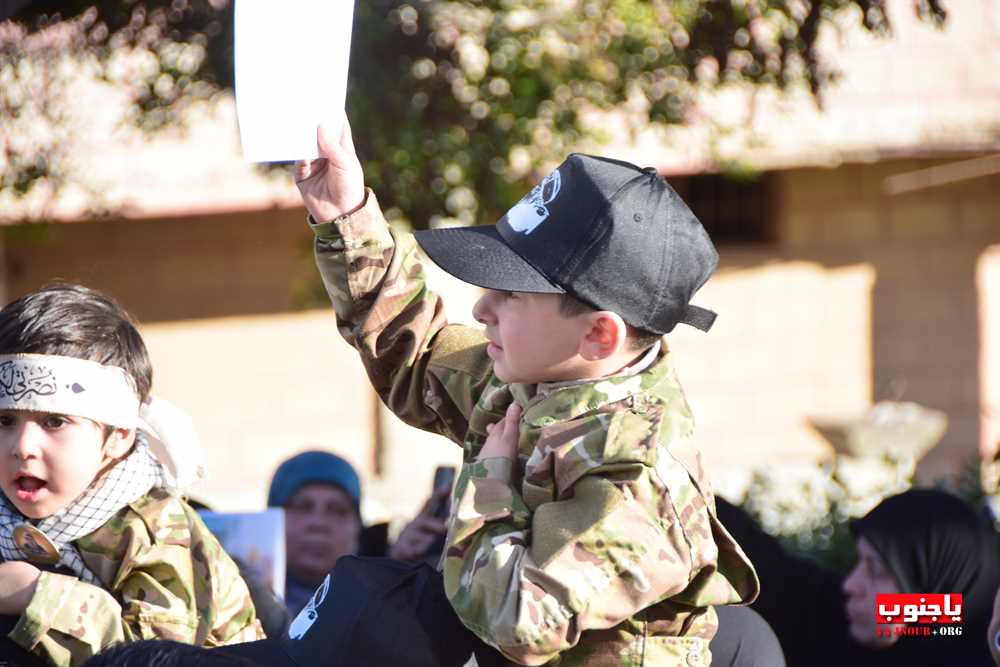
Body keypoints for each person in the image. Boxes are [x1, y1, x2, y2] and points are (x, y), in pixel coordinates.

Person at [288, 116, 759, 665]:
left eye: (511, 294)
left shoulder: (638, 478)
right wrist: (344, 216)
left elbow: (519, 620)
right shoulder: (540, 377)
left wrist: (488, 484)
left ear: (598, 333)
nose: (482, 308)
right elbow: (410, 352)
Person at [0, 284, 263, 666]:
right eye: (5, 420)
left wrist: (38, 596)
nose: (22, 446)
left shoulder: (154, 529)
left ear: (118, 437)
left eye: (54, 421)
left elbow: (162, 656)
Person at [717, 489, 1000, 667]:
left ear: (933, 590)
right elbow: (781, 576)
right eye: (859, 563)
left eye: (877, 570)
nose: (851, 585)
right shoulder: (850, 628)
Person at [267, 450, 363, 617]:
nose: (318, 524)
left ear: (358, 527)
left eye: (337, 510)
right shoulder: (231, 606)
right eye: (302, 507)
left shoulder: (385, 612)